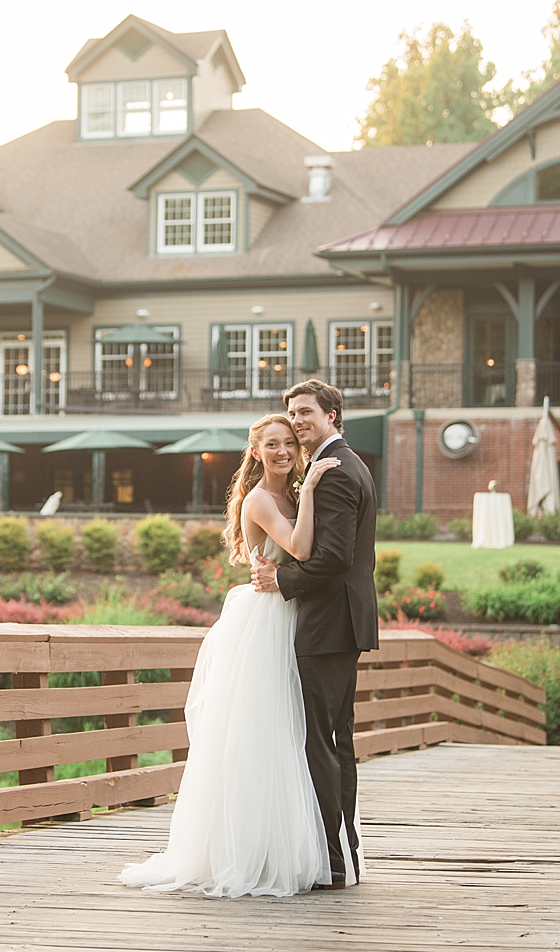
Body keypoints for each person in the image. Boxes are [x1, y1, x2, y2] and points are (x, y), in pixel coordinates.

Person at [118, 413, 340, 897]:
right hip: (265, 623)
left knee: (287, 734)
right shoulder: (263, 498)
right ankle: (249, 853)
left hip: (288, 614)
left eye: (288, 443)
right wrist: (313, 492)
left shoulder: (290, 492)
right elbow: (300, 546)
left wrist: (307, 492)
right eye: (272, 445)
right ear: (256, 452)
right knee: (261, 732)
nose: (283, 451)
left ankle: (281, 845)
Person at [251, 379, 379, 889]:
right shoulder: (339, 465)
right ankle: (339, 856)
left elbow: (332, 559)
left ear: (332, 415)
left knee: (320, 742)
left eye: (306, 413)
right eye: (292, 414)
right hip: (339, 623)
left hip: (328, 623)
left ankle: (331, 862)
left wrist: (280, 579)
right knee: (335, 740)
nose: (299, 422)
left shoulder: (337, 472)